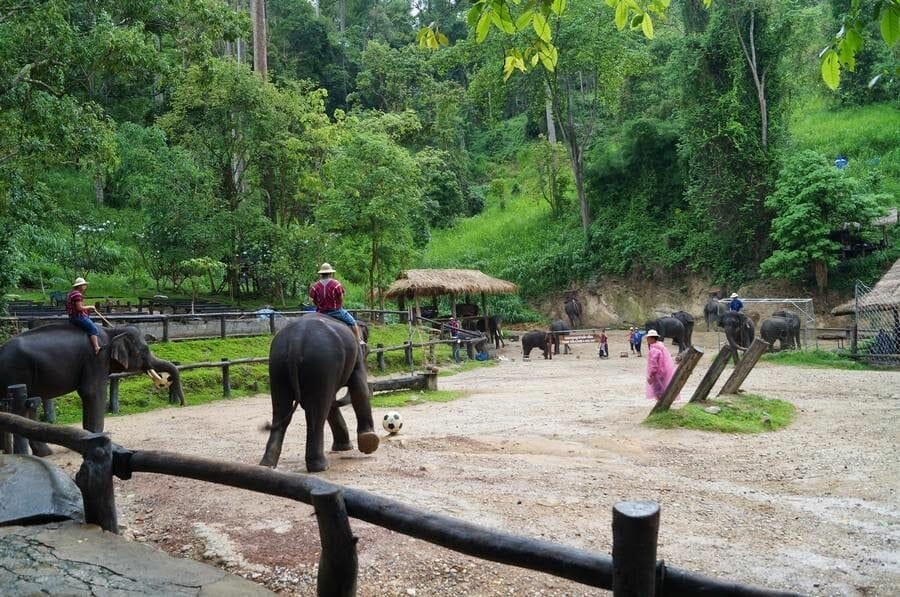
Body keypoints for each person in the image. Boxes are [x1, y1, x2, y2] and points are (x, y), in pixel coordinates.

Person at [309, 263, 365, 346]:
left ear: (321, 274)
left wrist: (318, 305)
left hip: (320, 312)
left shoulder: (315, 286)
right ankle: (358, 340)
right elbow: (341, 297)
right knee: (352, 322)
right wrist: (339, 306)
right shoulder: (336, 284)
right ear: (330, 273)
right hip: (335, 311)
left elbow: (312, 300)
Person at [66, 277, 102, 354]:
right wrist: (90, 307)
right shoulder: (77, 294)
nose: (85, 286)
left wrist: (87, 309)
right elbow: (79, 308)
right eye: (83, 285)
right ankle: (96, 347)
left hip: (72, 317)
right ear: (79, 286)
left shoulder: (71, 293)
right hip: (78, 317)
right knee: (93, 329)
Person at [645, 329, 678, 401]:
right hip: (663, 372)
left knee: (658, 392)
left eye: (648, 338)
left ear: (652, 338)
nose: (647, 340)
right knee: (663, 389)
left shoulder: (654, 350)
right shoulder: (661, 347)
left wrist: (651, 376)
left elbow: (653, 365)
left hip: (657, 374)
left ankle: (660, 407)